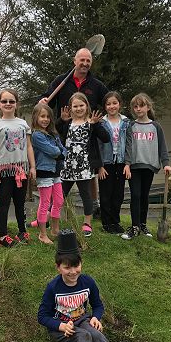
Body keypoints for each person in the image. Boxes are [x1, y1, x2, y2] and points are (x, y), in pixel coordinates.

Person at [35, 47, 109, 223]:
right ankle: (48, 217)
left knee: (87, 184)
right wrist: (44, 101)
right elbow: (47, 101)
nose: (85, 63)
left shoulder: (96, 85)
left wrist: (98, 120)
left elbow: (109, 102)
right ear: (75, 61)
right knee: (59, 187)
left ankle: (92, 213)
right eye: (82, 60)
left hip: (87, 140)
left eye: (88, 61)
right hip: (64, 139)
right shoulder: (61, 81)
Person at [0, 89, 36, 247]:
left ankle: (22, 231)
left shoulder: (23, 124)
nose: (8, 104)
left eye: (11, 101)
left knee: (20, 203)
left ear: (16, 104)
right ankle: (3, 236)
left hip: (21, 171)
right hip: (4, 172)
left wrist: (32, 166)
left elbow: (29, 146)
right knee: (4, 204)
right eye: (4, 101)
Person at [57, 92, 109, 237]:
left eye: (81, 105)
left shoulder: (91, 123)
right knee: (60, 194)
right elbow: (56, 130)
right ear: (70, 108)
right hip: (67, 165)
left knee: (85, 194)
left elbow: (106, 138)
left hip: (84, 166)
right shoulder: (68, 123)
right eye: (75, 106)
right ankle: (47, 219)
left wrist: (96, 124)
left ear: (87, 106)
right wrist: (61, 120)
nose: (78, 108)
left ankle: (87, 223)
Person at [122, 93, 171, 240]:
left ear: (148, 107)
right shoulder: (131, 126)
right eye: (135, 106)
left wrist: (166, 164)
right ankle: (134, 227)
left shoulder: (156, 127)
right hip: (134, 166)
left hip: (149, 166)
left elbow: (162, 146)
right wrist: (127, 164)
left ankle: (143, 225)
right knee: (135, 195)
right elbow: (128, 146)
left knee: (144, 196)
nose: (138, 109)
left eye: (141, 106)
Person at [31, 103, 66, 244]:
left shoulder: (53, 133)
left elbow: (63, 150)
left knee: (59, 200)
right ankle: (42, 234)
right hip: (44, 171)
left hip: (56, 170)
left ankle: (55, 230)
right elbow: (54, 151)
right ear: (36, 117)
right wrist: (59, 153)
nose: (45, 119)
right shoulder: (37, 135)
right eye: (42, 116)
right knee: (45, 202)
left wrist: (60, 153)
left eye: (48, 117)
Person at [97, 91, 129, 234]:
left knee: (118, 194)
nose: (112, 106)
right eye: (108, 104)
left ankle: (115, 221)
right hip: (106, 163)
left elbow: (129, 143)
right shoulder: (101, 123)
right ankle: (106, 223)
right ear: (105, 106)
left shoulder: (126, 122)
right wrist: (99, 166)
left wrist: (128, 163)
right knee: (106, 194)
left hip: (121, 162)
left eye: (114, 103)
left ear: (120, 104)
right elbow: (97, 145)